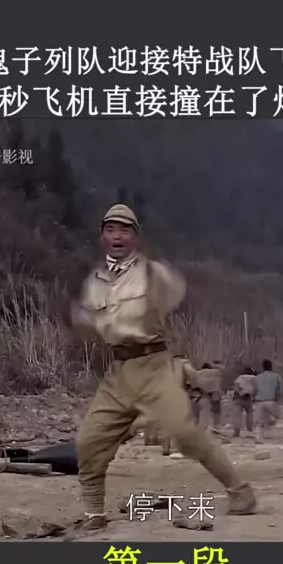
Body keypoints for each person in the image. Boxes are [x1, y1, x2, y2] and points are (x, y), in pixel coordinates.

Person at [63, 203, 257, 529]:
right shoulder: (96, 281)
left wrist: (150, 283)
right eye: (111, 230)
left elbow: (172, 293)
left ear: (136, 237)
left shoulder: (152, 273)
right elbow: (92, 323)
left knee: (185, 433)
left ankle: (241, 493)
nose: (117, 236)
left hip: (153, 366)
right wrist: (77, 319)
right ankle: (95, 514)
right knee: (89, 441)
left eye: (125, 230)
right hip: (118, 373)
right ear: (102, 237)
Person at [253, 360, 283, 443]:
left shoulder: (257, 377)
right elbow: (279, 390)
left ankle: (258, 437)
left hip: (259, 401)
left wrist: (253, 398)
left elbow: (254, 389)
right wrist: (278, 399)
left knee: (258, 421)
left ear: (263, 367)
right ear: (271, 367)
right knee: (273, 417)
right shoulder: (276, 376)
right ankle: (268, 434)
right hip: (271, 401)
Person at [231, 367, 256, 437]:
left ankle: (236, 431)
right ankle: (250, 429)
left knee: (237, 415)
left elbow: (235, 388)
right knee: (249, 413)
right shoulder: (254, 378)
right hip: (248, 398)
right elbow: (256, 389)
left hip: (237, 398)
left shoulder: (239, 378)